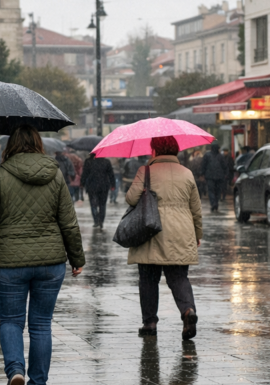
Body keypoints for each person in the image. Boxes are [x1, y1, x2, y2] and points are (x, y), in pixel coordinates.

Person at [0, 125, 85, 385]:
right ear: (38, 144)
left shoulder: (0, 175)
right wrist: (77, 259)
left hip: (11, 261)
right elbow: (69, 222)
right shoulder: (56, 175)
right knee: (41, 325)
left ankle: (15, 371)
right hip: (50, 263)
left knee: (11, 321)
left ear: (10, 146)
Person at [127, 136, 203, 340]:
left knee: (148, 279)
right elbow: (196, 208)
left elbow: (131, 198)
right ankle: (188, 311)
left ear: (154, 150)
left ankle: (150, 323)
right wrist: (198, 234)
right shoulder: (187, 173)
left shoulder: (145, 171)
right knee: (178, 277)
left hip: (150, 231)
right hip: (181, 231)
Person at [81, 151, 115, 228]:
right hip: (104, 186)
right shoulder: (106, 162)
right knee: (102, 204)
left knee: (93, 204)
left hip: (92, 186)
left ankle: (96, 220)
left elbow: (85, 173)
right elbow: (111, 174)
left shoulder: (88, 162)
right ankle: (101, 221)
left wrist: (82, 183)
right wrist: (113, 184)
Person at [200, 142, 228, 212]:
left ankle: (213, 203)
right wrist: (225, 174)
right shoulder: (221, 156)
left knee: (211, 190)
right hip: (219, 177)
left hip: (210, 177)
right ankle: (216, 203)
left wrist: (202, 173)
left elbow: (203, 165)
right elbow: (225, 166)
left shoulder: (207, 155)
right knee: (218, 191)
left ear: (211, 148)